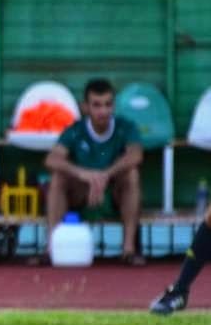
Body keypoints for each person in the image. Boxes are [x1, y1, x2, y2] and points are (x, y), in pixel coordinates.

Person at [44, 78, 145, 266]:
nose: (103, 111)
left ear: (114, 106)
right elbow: (52, 159)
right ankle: (51, 250)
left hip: (113, 194)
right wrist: (83, 174)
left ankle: (128, 250)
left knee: (132, 175)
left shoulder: (126, 127)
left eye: (108, 104)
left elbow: (136, 155)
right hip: (82, 194)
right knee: (58, 178)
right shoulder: (75, 130)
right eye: (97, 105)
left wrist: (105, 174)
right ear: (85, 107)